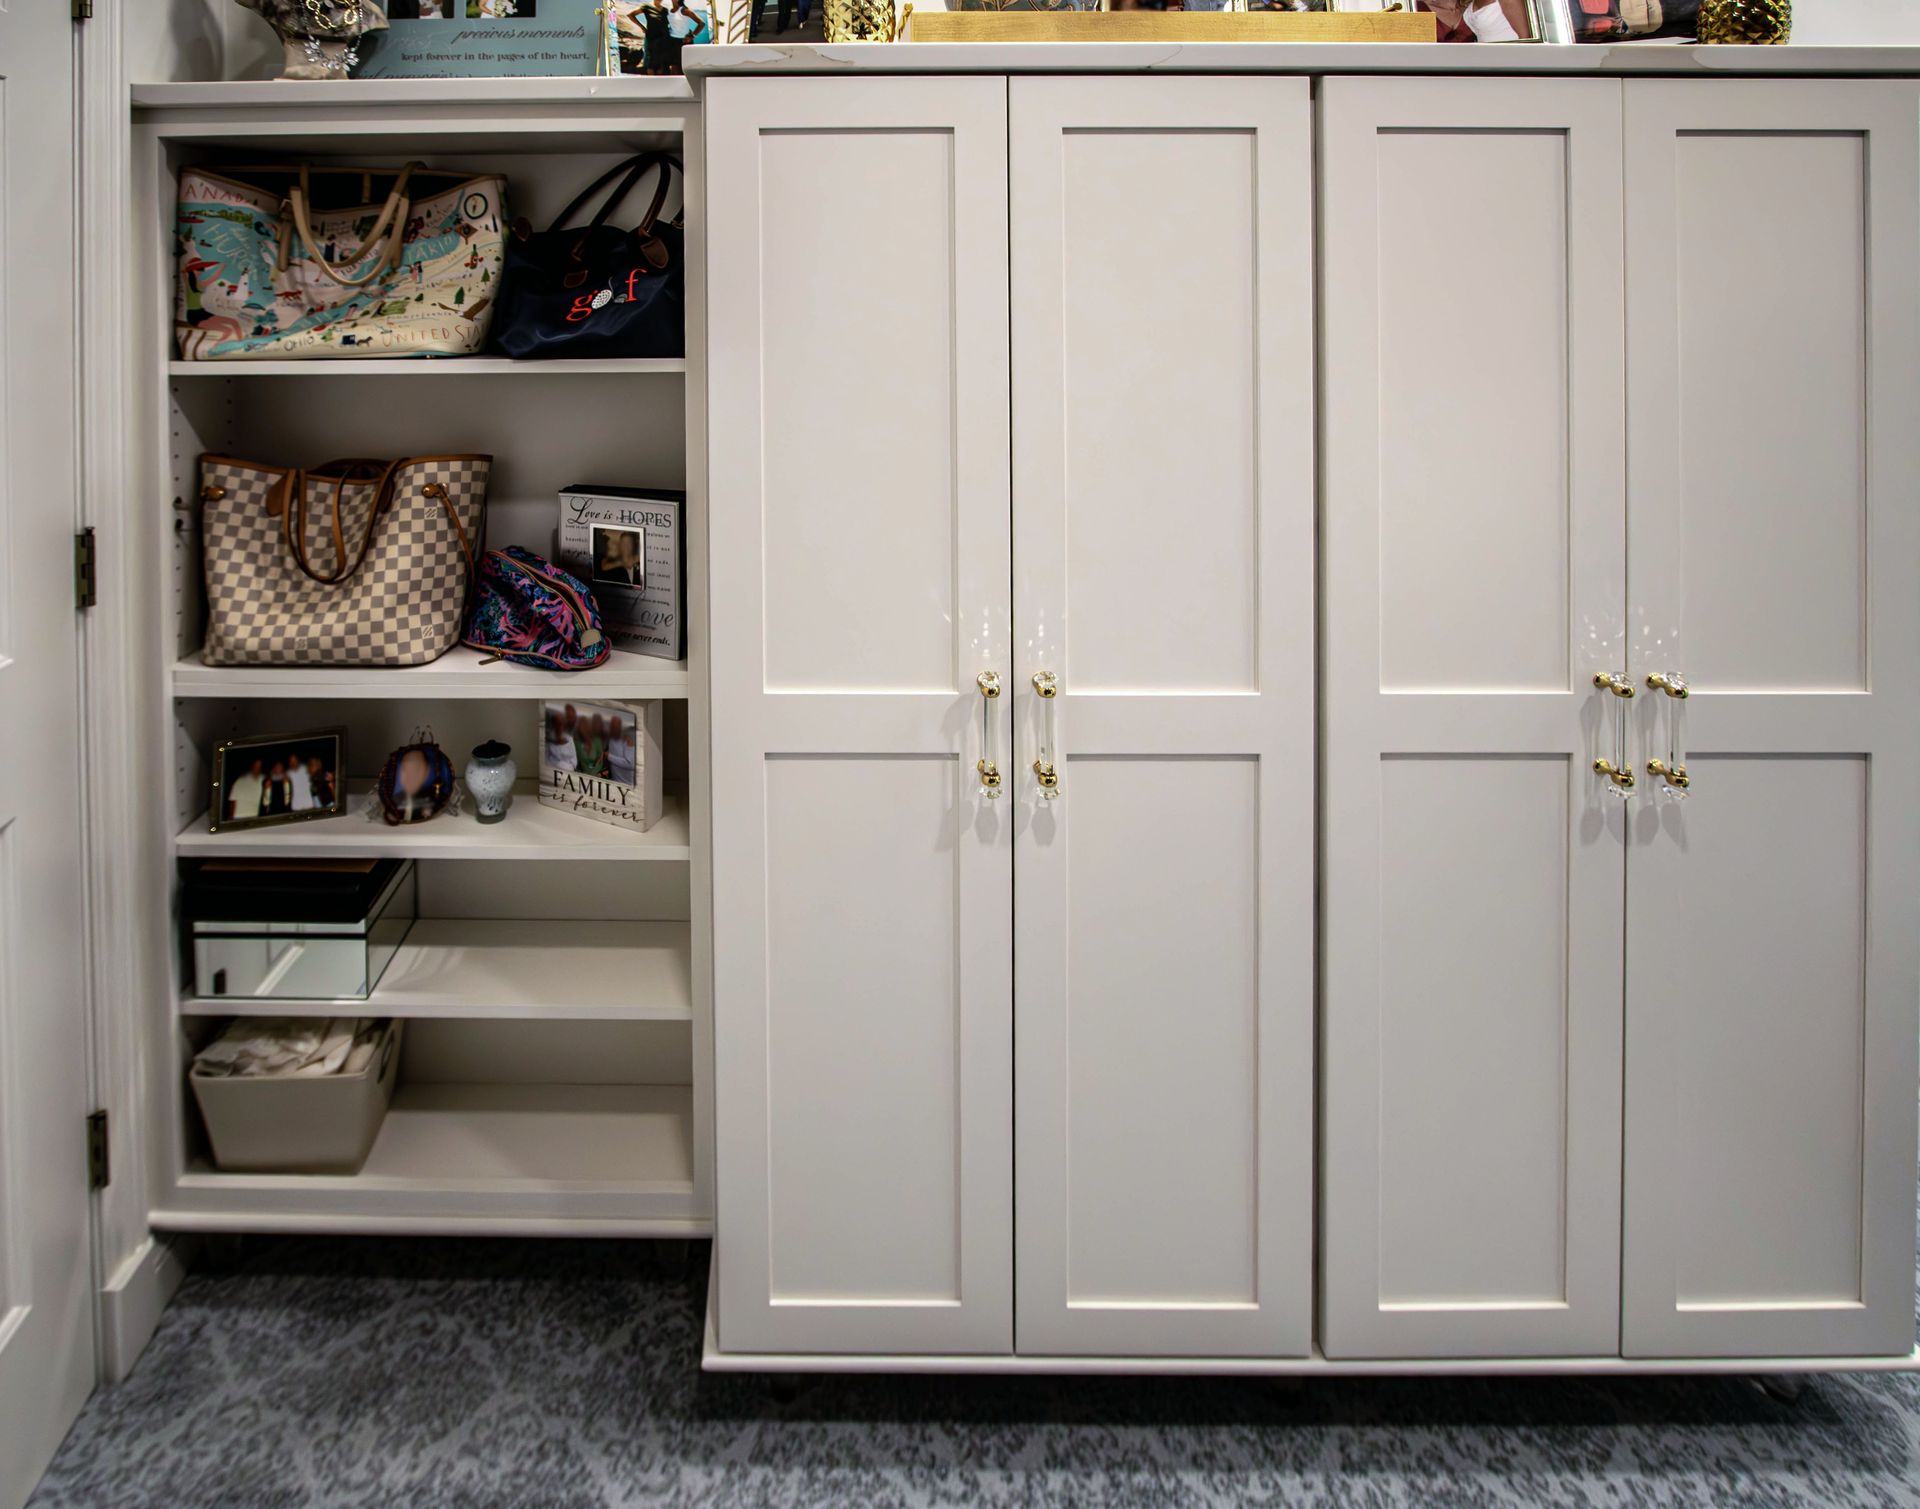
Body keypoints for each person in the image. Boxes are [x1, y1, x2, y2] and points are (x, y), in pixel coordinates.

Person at [226, 757, 266, 822]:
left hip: (255, 815)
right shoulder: (241, 780)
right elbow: (233, 800)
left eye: (259, 766)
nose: (257, 768)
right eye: (256, 765)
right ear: (251, 766)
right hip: (239, 816)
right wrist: (231, 816)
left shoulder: (263, 779)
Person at [573, 711, 608, 778]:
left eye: (585, 725)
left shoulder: (597, 740)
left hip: (598, 773)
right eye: (581, 725)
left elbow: (599, 762)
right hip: (584, 775)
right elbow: (578, 763)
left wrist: (593, 775)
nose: (584, 728)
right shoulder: (577, 743)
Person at [608, 716, 638, 785]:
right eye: (612, 726)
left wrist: (608, 756)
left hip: (628, 784)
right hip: (615, 781)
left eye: (616, 726)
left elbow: (631, 764)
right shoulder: (611, 739)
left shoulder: (629, 740)